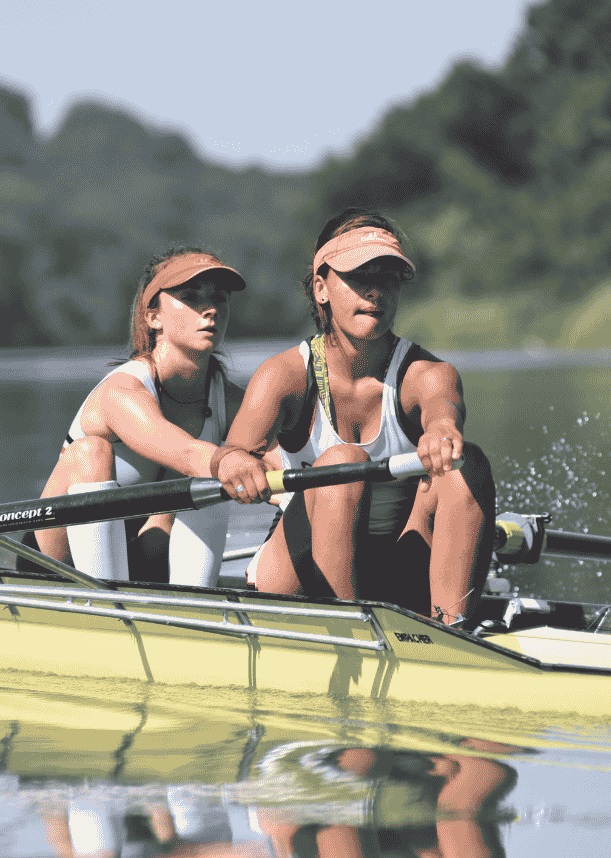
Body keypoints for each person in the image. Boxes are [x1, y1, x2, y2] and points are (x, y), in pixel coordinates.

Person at [211, 211, 499, 629]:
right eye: (360, 277)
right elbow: (231, 454)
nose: (376, 291)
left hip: (395, 567)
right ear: (322, 288)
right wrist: (236, 464)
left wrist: (441, 431)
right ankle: (349, 629)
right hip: (297, 575)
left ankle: (454, 630)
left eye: (387, 277)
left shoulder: (429, 374)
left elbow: (443, 410)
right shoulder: (284, 376)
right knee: (343, 462)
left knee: (465, 463)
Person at [28, 247, 254, 587]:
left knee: (204, 485)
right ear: (153, 317)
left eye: (219, 299)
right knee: (92, 451)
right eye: (191, 297)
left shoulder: (233, 401)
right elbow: (185, 452)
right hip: (54, 566)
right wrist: (232, 462)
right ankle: (107, 609)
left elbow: (288, 467)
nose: (209, 310)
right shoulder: (122, 392)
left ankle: (197, 612)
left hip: (141, 559)